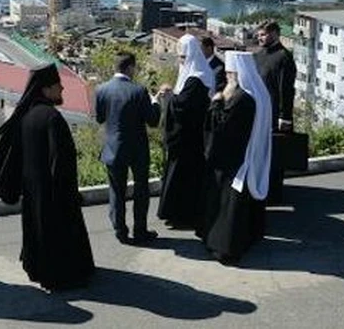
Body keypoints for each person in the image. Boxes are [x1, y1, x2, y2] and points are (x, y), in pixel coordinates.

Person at [0, 63, 95, 292]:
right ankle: (62, 276)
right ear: (45, 89)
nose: (62, 89)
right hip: (55, 193)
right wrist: (68, 193)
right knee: (59, 237)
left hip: (33, 192)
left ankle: (37, 268)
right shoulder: (52, 118)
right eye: (58, 86)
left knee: (37, 233)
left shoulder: (26, 117)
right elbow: (62, 161)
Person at [201, 51, 273, 264]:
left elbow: (221, 126)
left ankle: (226, 249)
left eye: (229, 74)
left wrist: (216, 102)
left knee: (228, 207)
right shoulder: (258, 92)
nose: (227, 78)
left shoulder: (241, 98)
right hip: (248, 154)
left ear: (236, 73)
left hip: (233, 159)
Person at [94, 52, 161, 245]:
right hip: (138, 150)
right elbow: (153, 121)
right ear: (130, 67)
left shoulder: (101, 89)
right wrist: (155, 102)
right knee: (141, 190)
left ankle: (120, 231)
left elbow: (99, 118)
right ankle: (140, 230)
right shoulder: (139, 91)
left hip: (113, 148)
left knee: (116, 191)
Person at [156, 33, 215, 229]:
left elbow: (183, 106)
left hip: (189, 139)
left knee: (183, 178)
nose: (180, 61)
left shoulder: (197, 79)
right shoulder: (192, 75)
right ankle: (175, 214)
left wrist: (170, 94)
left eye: (183, 57)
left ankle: (182, 215)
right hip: (184, 137)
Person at [252, 21, 297, 203]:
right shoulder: (259, 55)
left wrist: (284, 117)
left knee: (275, 155)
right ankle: (261, 188)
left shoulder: (283, 58)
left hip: (274, 116)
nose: (260, 38)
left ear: (276, 34)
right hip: (259, 114)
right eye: (259, 35)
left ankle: (274, 193)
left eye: (263, 34)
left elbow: (285, 90)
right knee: (262, 154)